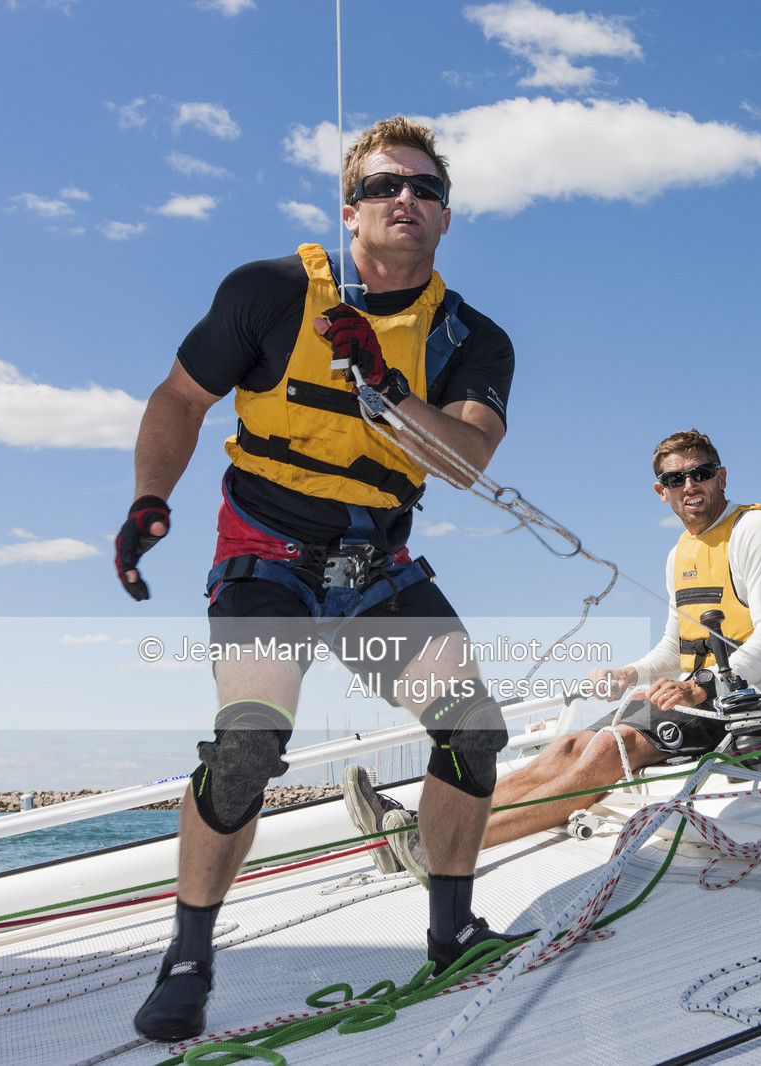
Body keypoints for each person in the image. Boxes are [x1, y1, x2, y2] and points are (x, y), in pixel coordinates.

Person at [115, 116, 521, 1042]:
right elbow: (181, 397)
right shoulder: (268, 294)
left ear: (446, 217)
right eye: (383, 186)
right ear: (350, 211)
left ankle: (452, 932)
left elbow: (465, 462)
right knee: (248, 744)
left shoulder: (473, 339)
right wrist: (148, 500)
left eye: (424, 188)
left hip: (376, 566)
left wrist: (389, 385)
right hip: (267, 555)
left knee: (472, 729)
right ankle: (188, 957)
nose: (404, 199)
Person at [383, 429, 761, 852]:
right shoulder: (679, 554)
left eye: (701, 473)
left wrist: (699, 686)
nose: (690, 485)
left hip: (750, 702)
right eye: (676, 479)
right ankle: (428, 824)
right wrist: (630, 673)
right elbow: (674, 647)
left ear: (721, 477)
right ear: (662, 491)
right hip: (692, 694)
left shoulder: (755, 530)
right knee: (566, 746)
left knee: (607, 748)